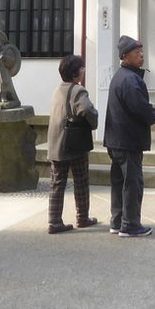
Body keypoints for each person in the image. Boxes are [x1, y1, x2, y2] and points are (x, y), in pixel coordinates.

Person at [104, 35, 155, 237]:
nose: (141, 56)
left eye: (141, 52)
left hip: (117, 139)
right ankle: (130, 225)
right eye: (137, 53)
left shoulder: (122, 76)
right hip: (128, 140)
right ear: (125, 56)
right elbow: (139, 108)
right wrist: (154, 114)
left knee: (119, 182)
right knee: (132, 183)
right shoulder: (130, 79)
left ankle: (117, 221)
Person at [46, 54, 99, 234]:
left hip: (56, 142)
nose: (84, 70)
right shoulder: (78, 91)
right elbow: (86, 109)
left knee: (57, 182)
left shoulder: (57, 89)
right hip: (73, 143)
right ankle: (82, 217)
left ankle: (54, 221)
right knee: (81, 181)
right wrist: (94, 122)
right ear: (76, 72)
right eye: (82, 68)